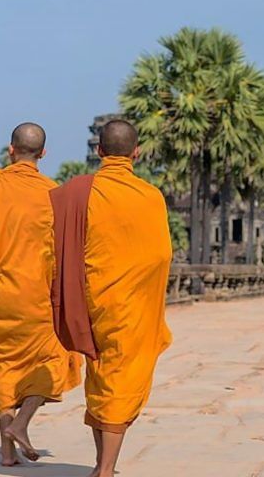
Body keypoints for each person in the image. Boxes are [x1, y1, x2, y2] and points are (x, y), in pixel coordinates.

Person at [50, 119, 173, 477]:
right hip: (132, 306)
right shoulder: (151, 196)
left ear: (99, 150)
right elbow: (161, 255)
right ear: (137, 153)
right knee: (119, 380)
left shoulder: (79, 191)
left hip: (93, 301)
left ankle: (101, 464)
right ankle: (106, 469)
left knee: (101, 376)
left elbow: (50, 237)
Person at [0, 122, 82, 466]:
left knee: (4, 368)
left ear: (10, 150)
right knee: (56, 360)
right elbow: (63, 249)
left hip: (2, 293)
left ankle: (8, 452)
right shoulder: (54, 193)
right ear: (43, 154)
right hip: (39, 296)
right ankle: (22, 421)